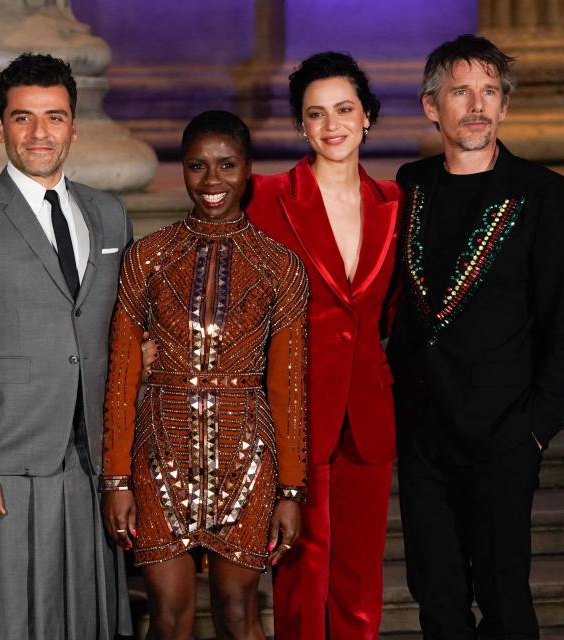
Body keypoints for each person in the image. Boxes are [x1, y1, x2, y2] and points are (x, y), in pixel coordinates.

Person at [0, 53, 132, 639]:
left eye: (54, 117)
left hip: (88, 467)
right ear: (2, 127)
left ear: (74, 126)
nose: (40, 133)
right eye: (23, 118)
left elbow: (114, 332)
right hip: (0, 468)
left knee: (77, 622)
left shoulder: (109, 216)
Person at [388, 35, 564, 639]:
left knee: (505, 601)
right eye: (460, 92)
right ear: (432, 107)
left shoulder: (545, 195)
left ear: (503, 107)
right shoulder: (410, 184)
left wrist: (536, 427)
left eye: (489, 92)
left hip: (504, 433)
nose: (476, 105)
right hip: (424, 432)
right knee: (438, 600)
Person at [102, 110, 308, 640]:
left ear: (248, 170)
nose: (212, 181)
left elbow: (288, 389)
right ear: (183, 171)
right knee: (168, 617)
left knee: (239, 614)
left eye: (226, 165)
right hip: (158, 455)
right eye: (197, 166)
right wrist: (117, 480)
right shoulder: (145, 258)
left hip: (247, 457)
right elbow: (122, 378)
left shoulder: (280, 266)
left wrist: (291, 489)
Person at [239, 52, 404, 640]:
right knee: (301, 574)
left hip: (368, 409)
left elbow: (391, 309)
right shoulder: (265, 197)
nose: (332, 124)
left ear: (367, 117)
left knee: (359, 576)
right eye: (316, 114)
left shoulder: (395, 204)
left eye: (344, 109)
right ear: (301, 126)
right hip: (294, 411)